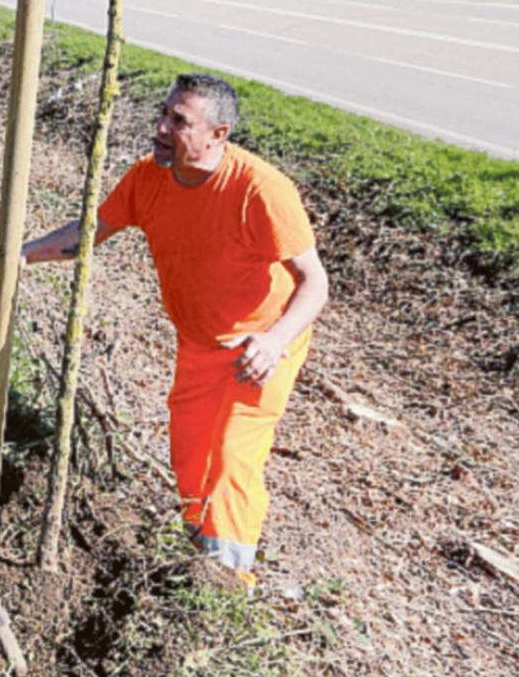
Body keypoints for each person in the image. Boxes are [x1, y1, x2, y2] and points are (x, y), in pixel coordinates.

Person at [23, 73, 329, 589]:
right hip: (199, 342)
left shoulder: (261, 190)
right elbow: (89, 233)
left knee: (231, 457)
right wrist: (20, 255)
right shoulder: (148, 179)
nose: (162, 128)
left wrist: (274, 341)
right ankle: (196, 558)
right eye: (164, 115)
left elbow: (315, 283)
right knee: (190, 457)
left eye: (179, 122)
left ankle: (226, 586)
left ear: (218, 134)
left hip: (258, 347)